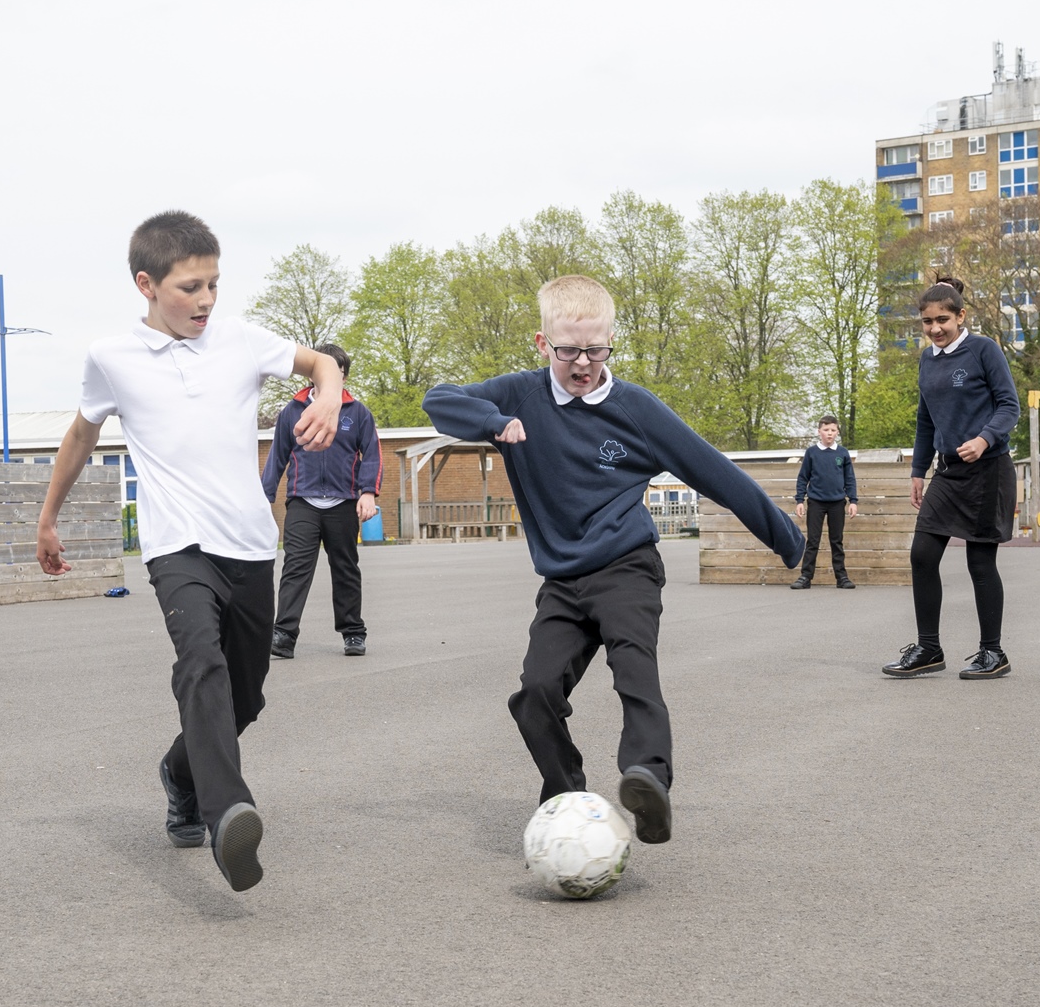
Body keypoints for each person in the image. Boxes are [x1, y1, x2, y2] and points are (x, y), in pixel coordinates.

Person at [423, 275, 803, 845]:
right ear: (542, 343)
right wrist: (493, 423)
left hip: (627, 565)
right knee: (535, 693)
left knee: (635, 671)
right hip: (562, 579)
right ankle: (566, 794)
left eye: (596, 350)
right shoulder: (519, 395)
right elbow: (440, 401)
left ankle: (647, 778)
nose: (583, 364)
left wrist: (788, 540)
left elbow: (713, 471)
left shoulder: (635, 409)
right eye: (568, 351)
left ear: (610, 342)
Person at [35, 211, 342, 893]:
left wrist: (327, 396)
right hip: (178, 545)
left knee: (247, 697)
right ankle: (228, 807)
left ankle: (180, 772)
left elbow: (321, 363)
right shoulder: (111, 358)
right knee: (199, 661)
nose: (206, 300)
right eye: (190, 287)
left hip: (248, 545)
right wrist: (48, 519)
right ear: (147, 285)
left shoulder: (239, 340)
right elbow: (81, 437)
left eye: (214, 285)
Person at [882, 274, 1020, 681]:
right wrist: (917, 471)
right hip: (948, 472)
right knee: (922, 554)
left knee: (980, 562)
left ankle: (993, 652)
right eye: (927, 322)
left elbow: (1009, 406)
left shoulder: (983, 350)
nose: (935, 329)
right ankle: (929, 648)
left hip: (989, 469)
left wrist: (984, 438)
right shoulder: (928, 360)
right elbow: (926, 420)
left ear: (961, 316)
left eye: (943, 319)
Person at [262, 344, 382, 659]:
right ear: (313, 373)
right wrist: (263, 498)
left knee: (345, 568)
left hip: (343, 502)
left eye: (340, 374)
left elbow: (371, 454)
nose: (333, 380)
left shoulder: (357, 413)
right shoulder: (293, 411)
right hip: (303, 500)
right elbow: (277, 457)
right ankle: (284, 634)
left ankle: (353, 633)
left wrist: (367, 492)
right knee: (296, 566)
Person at [791, 414, 859, 590]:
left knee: (837, 540)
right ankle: (805, 576)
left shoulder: (842, 453)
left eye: (833, 430)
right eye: (826, 430)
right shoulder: (812, 453)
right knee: (813, 540)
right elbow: (802, 478)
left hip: (837, 503)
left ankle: (841, 577)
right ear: (819, 431)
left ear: (837, 432)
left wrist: (853, 500)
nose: (829, 433)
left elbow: (849, 479)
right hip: (816, 503)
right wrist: (800, 500)